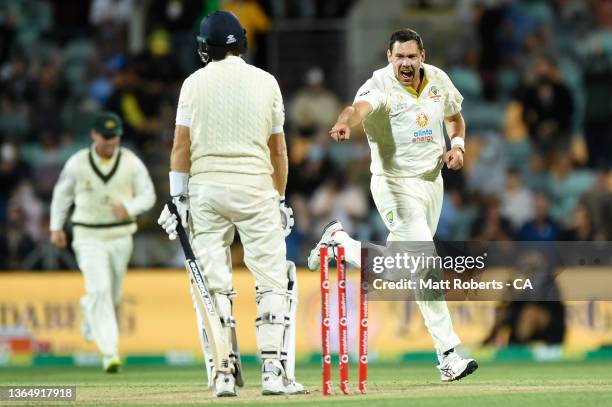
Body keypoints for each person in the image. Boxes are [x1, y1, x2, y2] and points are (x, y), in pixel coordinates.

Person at [308, 28, 478, 381]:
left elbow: (454, 115)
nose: (405, 63)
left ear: (422, 56)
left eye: (411, 56)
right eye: (399, 56)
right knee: (425, 262)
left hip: (432, 185)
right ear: (389, 58)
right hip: (394, 186)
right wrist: (343, 122)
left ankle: (339, 245)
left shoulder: (438, 80)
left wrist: (458, 145)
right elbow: (357, 109)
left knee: (411, 268)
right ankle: (448, 354)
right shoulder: (379, 84)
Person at [156, 11, 304, 397]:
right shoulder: (267, 82)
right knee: (272, 278)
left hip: (206, 191)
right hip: (256, 187)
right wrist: (280, 198)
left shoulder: (193, 84)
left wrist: (177, 199)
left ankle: (223, 373)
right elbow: (279, 152)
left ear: (206, 48)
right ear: (242, 42)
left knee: (211, 283)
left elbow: (180, 148)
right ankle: (273, 372)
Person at [49, 111, 156, 372]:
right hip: (88, 235)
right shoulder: (78, 162)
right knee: (100, 290)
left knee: (113, 294)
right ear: (94, 135)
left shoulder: (130, 161)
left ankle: (89, 310)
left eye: (115, 137)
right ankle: (110, 353)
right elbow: (61, 195)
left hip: (121, 236)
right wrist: (55, 227)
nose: (111, 142)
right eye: (106, 137)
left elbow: (148, 196)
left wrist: (129, 207)